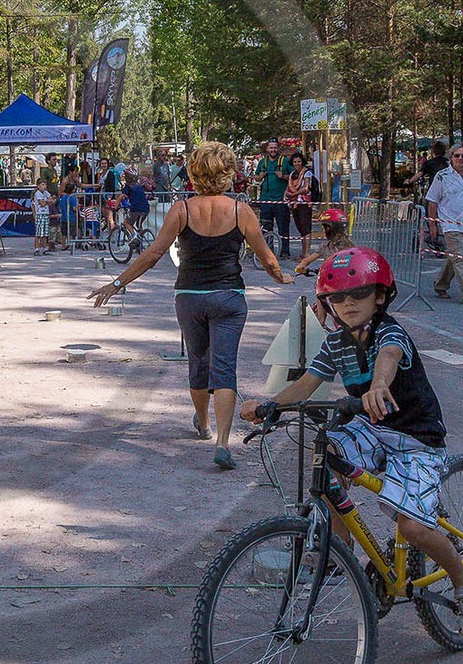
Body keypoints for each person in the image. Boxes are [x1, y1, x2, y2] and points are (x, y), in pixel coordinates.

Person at [237, 247, 463, 634]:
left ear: (381, 296)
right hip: (372, 430)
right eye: (337, 297)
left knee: (413, 529)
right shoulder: (336, 342)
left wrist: (377, 387)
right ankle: (340, 550)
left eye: (358, 294)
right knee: (328, 451)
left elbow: (388, 359)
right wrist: (271, 405)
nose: (347, 304)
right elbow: (306, 384)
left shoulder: (390, 333)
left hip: (415, 438)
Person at [89, 142, 291, 470]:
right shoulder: (241, 211)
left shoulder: (181, 209)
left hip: (190, 297)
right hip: (229, 297)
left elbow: (154, 254)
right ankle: (223, 443)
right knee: (225, 368)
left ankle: (203, 422)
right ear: (229, 174)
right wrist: (281, 278)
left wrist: (116, 283)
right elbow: (267, 258)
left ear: (194, 173)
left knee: (199, 362)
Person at [425, 142, 463, 305]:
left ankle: (440, 284)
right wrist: (433, 225)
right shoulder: (442, 176)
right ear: (451, 157)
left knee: (455, 256)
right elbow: (432, 201)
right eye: (456, 155)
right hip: (449, 224)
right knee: (460, 256)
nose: (460, 158)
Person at [253, 138, 292, 257]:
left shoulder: (284, 161)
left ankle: (284, 251)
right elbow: (255, 177)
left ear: (278, 148)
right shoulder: (262, 162)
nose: (273, 150)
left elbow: (294, 175)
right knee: (266, 227)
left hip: (280, 200)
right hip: (265, 200)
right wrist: (260, 176)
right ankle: (268, 251)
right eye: (271, 147)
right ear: (267, 149)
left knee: (283, 227)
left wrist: (283, 176)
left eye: (275, 147)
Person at [293, 207, 352, 275]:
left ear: (331, 228)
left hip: (331, 279)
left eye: (324, 227)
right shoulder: (350, 245)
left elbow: (307, 260)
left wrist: (300, 267)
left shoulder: (326, 245)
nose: (323, 230)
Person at [285, 152, 318, 261]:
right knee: (300, 228)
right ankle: (302, 254)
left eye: (299, 161)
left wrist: (294, 194)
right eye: (295, 162)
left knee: (306, 228)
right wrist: (287, 196)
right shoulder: (292, 174)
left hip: (304, 203)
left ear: (302, 162)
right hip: (295, 203)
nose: (297, 164)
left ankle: (307, 254)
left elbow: (306, 188)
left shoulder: (307, 173)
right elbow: (288, 188)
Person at [31, 178, 54, 256]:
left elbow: (52, 201)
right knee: (38, 233)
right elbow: (42, 204)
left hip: (46, 214)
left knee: (45, 233)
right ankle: (36, 249)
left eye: (45, 184)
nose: (44, 186)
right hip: (39, 214)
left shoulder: (46, 193)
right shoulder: (37, 194)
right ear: (38, 186)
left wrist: (47, 201)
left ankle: (44, 248)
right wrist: (47, 201)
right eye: (42, 185)